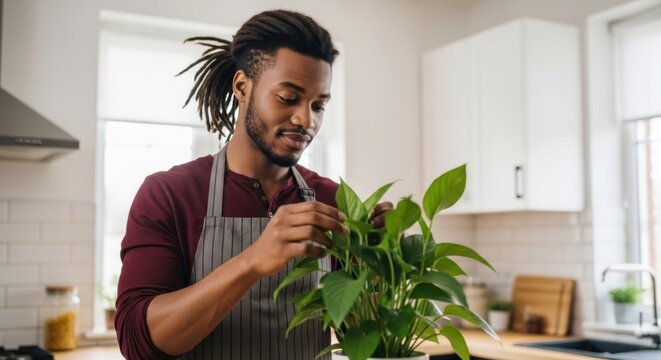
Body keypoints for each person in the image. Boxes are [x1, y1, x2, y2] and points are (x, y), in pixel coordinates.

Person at [115, 9, 392, 360]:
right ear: (243, 87)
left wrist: (379, 265)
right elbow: (139, 342)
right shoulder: (168, 195)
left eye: (318, 105)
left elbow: (361, 339)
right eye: (288, 98)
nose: (306, 120)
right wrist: (254, 260)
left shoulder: (330, 199)